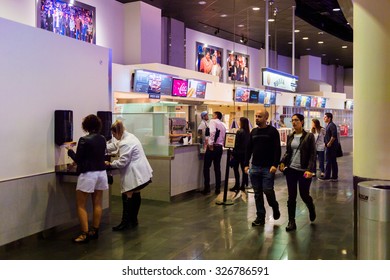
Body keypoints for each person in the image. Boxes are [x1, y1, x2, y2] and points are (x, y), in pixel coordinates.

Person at [67, 114, 108, 243]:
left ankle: (84, 234)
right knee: (97, 203)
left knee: (81, 204)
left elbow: (79, 159)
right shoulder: (102, 139)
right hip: (101, 173)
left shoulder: (84, 139)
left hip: (88, 175)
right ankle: (94, 231)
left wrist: (70, 151)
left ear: (86, 126)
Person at [106, 120, 153, 231]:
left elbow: (122, 162)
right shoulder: (129, 137)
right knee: (135, 193)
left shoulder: (125, 142)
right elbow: (115, 144)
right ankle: (133, 220)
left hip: (134, 172)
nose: (114, 137)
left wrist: (110, 164)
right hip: (141, 171)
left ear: (117, 132)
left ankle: (125, 222)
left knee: (127, 194)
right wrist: (101, 146)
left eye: (113, 134)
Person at [279, 114, 317, 232]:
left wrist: (309, 170)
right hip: (291, 170)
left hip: (304, 171)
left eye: (296, 120)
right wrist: (282, 162)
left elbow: (312, 155)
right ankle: (291, 221)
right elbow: (288, 152)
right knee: (292, 196)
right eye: (292, 120)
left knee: (304, 194)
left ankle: (311, 207)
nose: (294, 122)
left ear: (301, 122)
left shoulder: (309, 136)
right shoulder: (290, 136)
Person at [244, 110, 281, 226]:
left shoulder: (272, 131)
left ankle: (274, 205)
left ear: (266, 118)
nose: (257, 118)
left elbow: (277, 149)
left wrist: (275, 165)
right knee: (257, 193)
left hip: (268, 168)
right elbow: (249, 149)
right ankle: (260, 217)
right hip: (255, 167)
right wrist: (246, 164)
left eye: (259, 116)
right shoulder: (253, 132)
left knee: (267, 190)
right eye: (256, 116)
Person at [202, 111, 226, 195]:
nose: (211, 116)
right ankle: (218, 188)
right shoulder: (223, 125)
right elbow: (223, 136)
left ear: (216, 116)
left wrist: (210, 144)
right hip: (219, 148)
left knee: (206, 167)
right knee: (217, 168)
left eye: (213, 115)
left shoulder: (212, 121)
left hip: (213, 147)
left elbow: (212, 132)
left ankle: (207, 188)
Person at [230, 117, 250, 193]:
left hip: (237, 153)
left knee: (236, 169)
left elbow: (236, 143)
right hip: (244, 154)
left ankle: (237, 184)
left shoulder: (239, 131)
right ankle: (243, 185)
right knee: (244, 170)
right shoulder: (248, 132)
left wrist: (232, 153)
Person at [319, 112, 339, 181]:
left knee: (329, 161)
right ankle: (334, 176)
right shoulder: (328, 125)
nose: (324, 118)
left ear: (329, 118)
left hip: (332, 147)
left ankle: (327, 176)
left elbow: (334, 136)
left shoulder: (332, 125)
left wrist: (329, 143)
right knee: (332, 161)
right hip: (329, 146)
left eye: (325, 117)